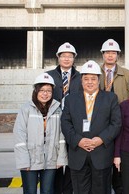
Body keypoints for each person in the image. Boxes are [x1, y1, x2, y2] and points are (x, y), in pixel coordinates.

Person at [61, 60, 121, 194]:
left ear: (99, 80)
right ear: (81, 81)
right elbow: (65, 123)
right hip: (78, 154)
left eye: (93, 79)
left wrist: (100, 139)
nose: (89, 82)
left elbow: (116, 123)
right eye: (86, 79)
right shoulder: (71, 99)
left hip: (101, 154)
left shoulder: (110, 98)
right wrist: (78, 141)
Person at [14, 73, 67, 194]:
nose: (45, 94)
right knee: (30, 191)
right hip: (30, 159)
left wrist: (61, 158)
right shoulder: (26, 109)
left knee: (48, 191)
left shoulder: (57, 110)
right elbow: (19, 135)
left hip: (51, 160)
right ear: (36, 91)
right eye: (42, 90)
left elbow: (62, 137)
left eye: (48, 91)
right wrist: (23, 160)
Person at [47, 42, 82, 194]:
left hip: (73, 123)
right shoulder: (49, 76)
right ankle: (56, 189)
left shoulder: (80, 77)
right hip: (53, 123)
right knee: (55, 158)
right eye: (63, 56)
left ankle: (68, 190)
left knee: (71, 157)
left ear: (74, 59)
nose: (67, 59)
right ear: (58, 57)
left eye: (70, 56)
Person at [98, 39, 129, 194]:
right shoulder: (95, 73)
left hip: (121, 122)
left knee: (120, 158)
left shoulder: (127, 74)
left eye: (113, 53)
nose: (110, 55)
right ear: (103, 54)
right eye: (107, 52)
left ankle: (119, 187)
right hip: (99, 123)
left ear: (118, 55)